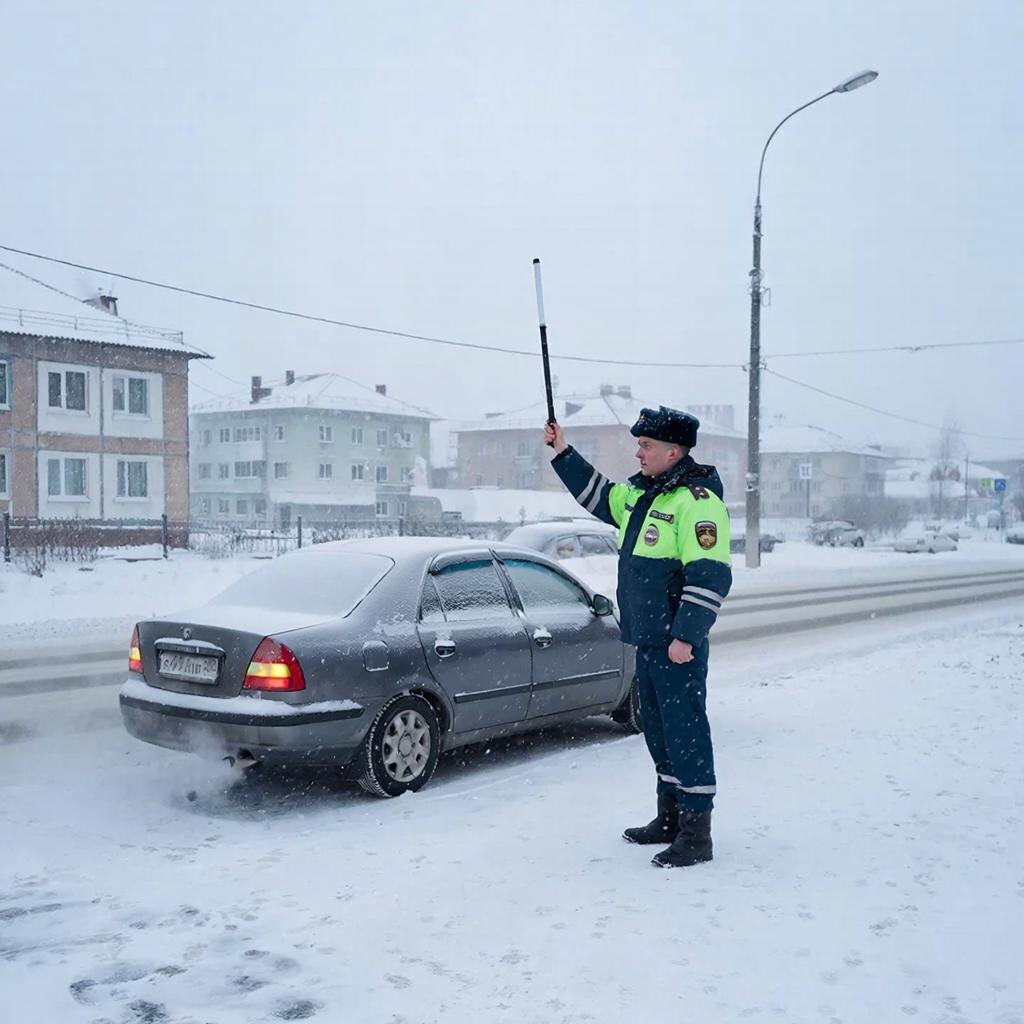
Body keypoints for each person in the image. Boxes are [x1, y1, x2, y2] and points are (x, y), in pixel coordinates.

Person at [544, 406, 732, 868]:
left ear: (674, 450)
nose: (638, 452)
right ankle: (668, 818)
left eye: (646, 446)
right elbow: (597, 495)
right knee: (661, 734)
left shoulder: (697, 501)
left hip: (676, 646)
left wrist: (686, 635)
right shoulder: (640, 495)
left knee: (686, 734)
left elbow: (710, 575)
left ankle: (696, 834)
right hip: (647, 641)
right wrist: (562, 450)